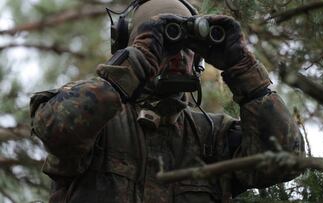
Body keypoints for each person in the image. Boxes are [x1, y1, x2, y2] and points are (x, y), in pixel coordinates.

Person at [30, 0, 304, 202]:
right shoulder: (99, 121)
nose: (178, 54)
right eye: (166, 45)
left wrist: (244, 68)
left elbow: (287, 160)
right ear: (131, 46)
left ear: (198, 57)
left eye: (188, 46)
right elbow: (56, 129)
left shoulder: (213, 137)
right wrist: (135, 63)